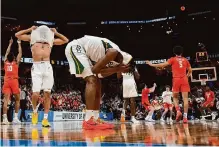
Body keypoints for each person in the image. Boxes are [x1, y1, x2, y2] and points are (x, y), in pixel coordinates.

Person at [65, 35, 132, 129]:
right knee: (91, 80)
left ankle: (95, 118)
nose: (121, 73)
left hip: (85, 53)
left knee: (97, 82)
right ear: (124, 64)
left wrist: (117, 69)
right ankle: (88, 119)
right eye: (123, 71)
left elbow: (100, 74)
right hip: (76, 47)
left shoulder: (114, 61)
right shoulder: (114, 52)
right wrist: (117, 69)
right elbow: (94, 70)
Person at [15, 25, 69, 127]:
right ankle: (35, 111)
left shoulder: (50, 41)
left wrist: (56, 32)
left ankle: (45, 119)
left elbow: (65, 40)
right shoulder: (32, 38)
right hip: (36, 67)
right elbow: (17, 35)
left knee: (47, 94)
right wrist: (29, 29)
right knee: (35, 93)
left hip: (47, 67)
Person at [146, 46, 192, 123]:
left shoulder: (172, 59)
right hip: (184, 79)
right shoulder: (185, 60)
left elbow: (162, 65)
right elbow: (190, 70)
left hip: (176, 79)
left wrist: (151, 64)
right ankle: (185, 117)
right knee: (185, 99)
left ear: (174, 52)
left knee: (175, 97)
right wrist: (186, 76)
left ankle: (178, 111)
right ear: (182, 52)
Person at [2, 38, 22, 124]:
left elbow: (6, 52)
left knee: (6, 100)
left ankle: (5, 119)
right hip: (14, 81)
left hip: (6, 81)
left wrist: (10, 44)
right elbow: (20, 53)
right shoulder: (16, 62)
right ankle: (15, 118)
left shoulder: (5, 62)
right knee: (17, 100)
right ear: (14, 57)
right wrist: (19, 43)